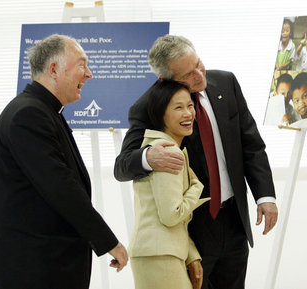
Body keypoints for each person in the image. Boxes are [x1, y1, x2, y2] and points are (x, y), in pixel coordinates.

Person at [114, 35, 278, 289]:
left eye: (199, 64)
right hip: (192, 229)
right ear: (165, 80)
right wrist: (148, 156)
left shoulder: (225, 83)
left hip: (235, 219)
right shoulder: (149, 106)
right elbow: (122, 166)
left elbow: (251, 144)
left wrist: (265, 196)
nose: (200, 76)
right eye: (188, 75)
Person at [0, 34, 128, 289]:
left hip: (40, 267)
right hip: (28, 271)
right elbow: (61, 187)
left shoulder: (44, 111)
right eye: (82, 64)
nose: (89, 74)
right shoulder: (29, 114)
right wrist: (108, 241)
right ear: (54, 69)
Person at [128, 79, 209, 289]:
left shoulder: (156, 148)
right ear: (160, 113)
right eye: (178, 107)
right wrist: (197, 188)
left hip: (157, 253)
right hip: (160, 256)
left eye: (190, 106)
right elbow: (171, 214)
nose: (188, 113)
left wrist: (191, 253)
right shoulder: (167, 151)